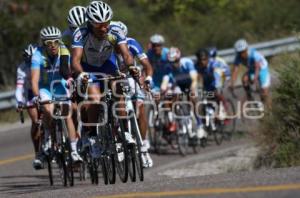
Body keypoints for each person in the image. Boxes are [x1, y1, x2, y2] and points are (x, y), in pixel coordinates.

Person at [71, 1, 138, 150]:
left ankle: (123, 131)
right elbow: (75, 61)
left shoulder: (115, 29)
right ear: (90, 23)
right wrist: (81, 74)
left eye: (106, 23)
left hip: (108, 65)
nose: (104, 28)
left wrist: (131, 66)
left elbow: (126, 54)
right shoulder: (80, 33)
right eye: (99, 25)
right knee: (95, 99)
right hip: (89, 69)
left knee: (118, 89)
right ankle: (93, 136)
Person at [31, 26, 82, 164]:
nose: (53, 46)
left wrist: (70, 80)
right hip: (45, 88)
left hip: (60, 85)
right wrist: (36, 96)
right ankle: (47, 135)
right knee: (47, 109)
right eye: (49, 43)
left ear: (59, 41)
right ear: (43, 44)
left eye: (56, 42)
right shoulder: (37, 54)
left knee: (67, 113)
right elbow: (34, 80)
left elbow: (66, 69)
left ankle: (74, 150)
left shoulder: (64, 49)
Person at [110, 20, 154, 168]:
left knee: (140, 108)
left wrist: (147, 78)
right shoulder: (106, 47)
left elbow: (147, 65)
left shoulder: (132, 43)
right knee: (112, 107)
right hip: (114, 78)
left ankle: (143, 147)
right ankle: (118, 137)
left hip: (131, 77)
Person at [15, 44, 43, 169]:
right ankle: (37, 154)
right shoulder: (21, 68)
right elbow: (19, 88)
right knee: (36, 122)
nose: (31, 62)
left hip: (43, 90)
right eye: (28, 59)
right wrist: (20, 101)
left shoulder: (43, 62)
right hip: (30, 94)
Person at [230, 39, 271, 108]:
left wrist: (254, 78)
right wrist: (232, 83)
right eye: (239, 52)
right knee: (244, 79)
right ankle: (249, 97)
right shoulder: (238, 57)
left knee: (264, 90)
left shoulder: (254, 54)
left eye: (243, 52)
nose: (242, 54)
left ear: (246, 49)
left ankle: (269, 107)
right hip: (252, 69)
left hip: (262, 68)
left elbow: (258, 67)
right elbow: (235, 71)